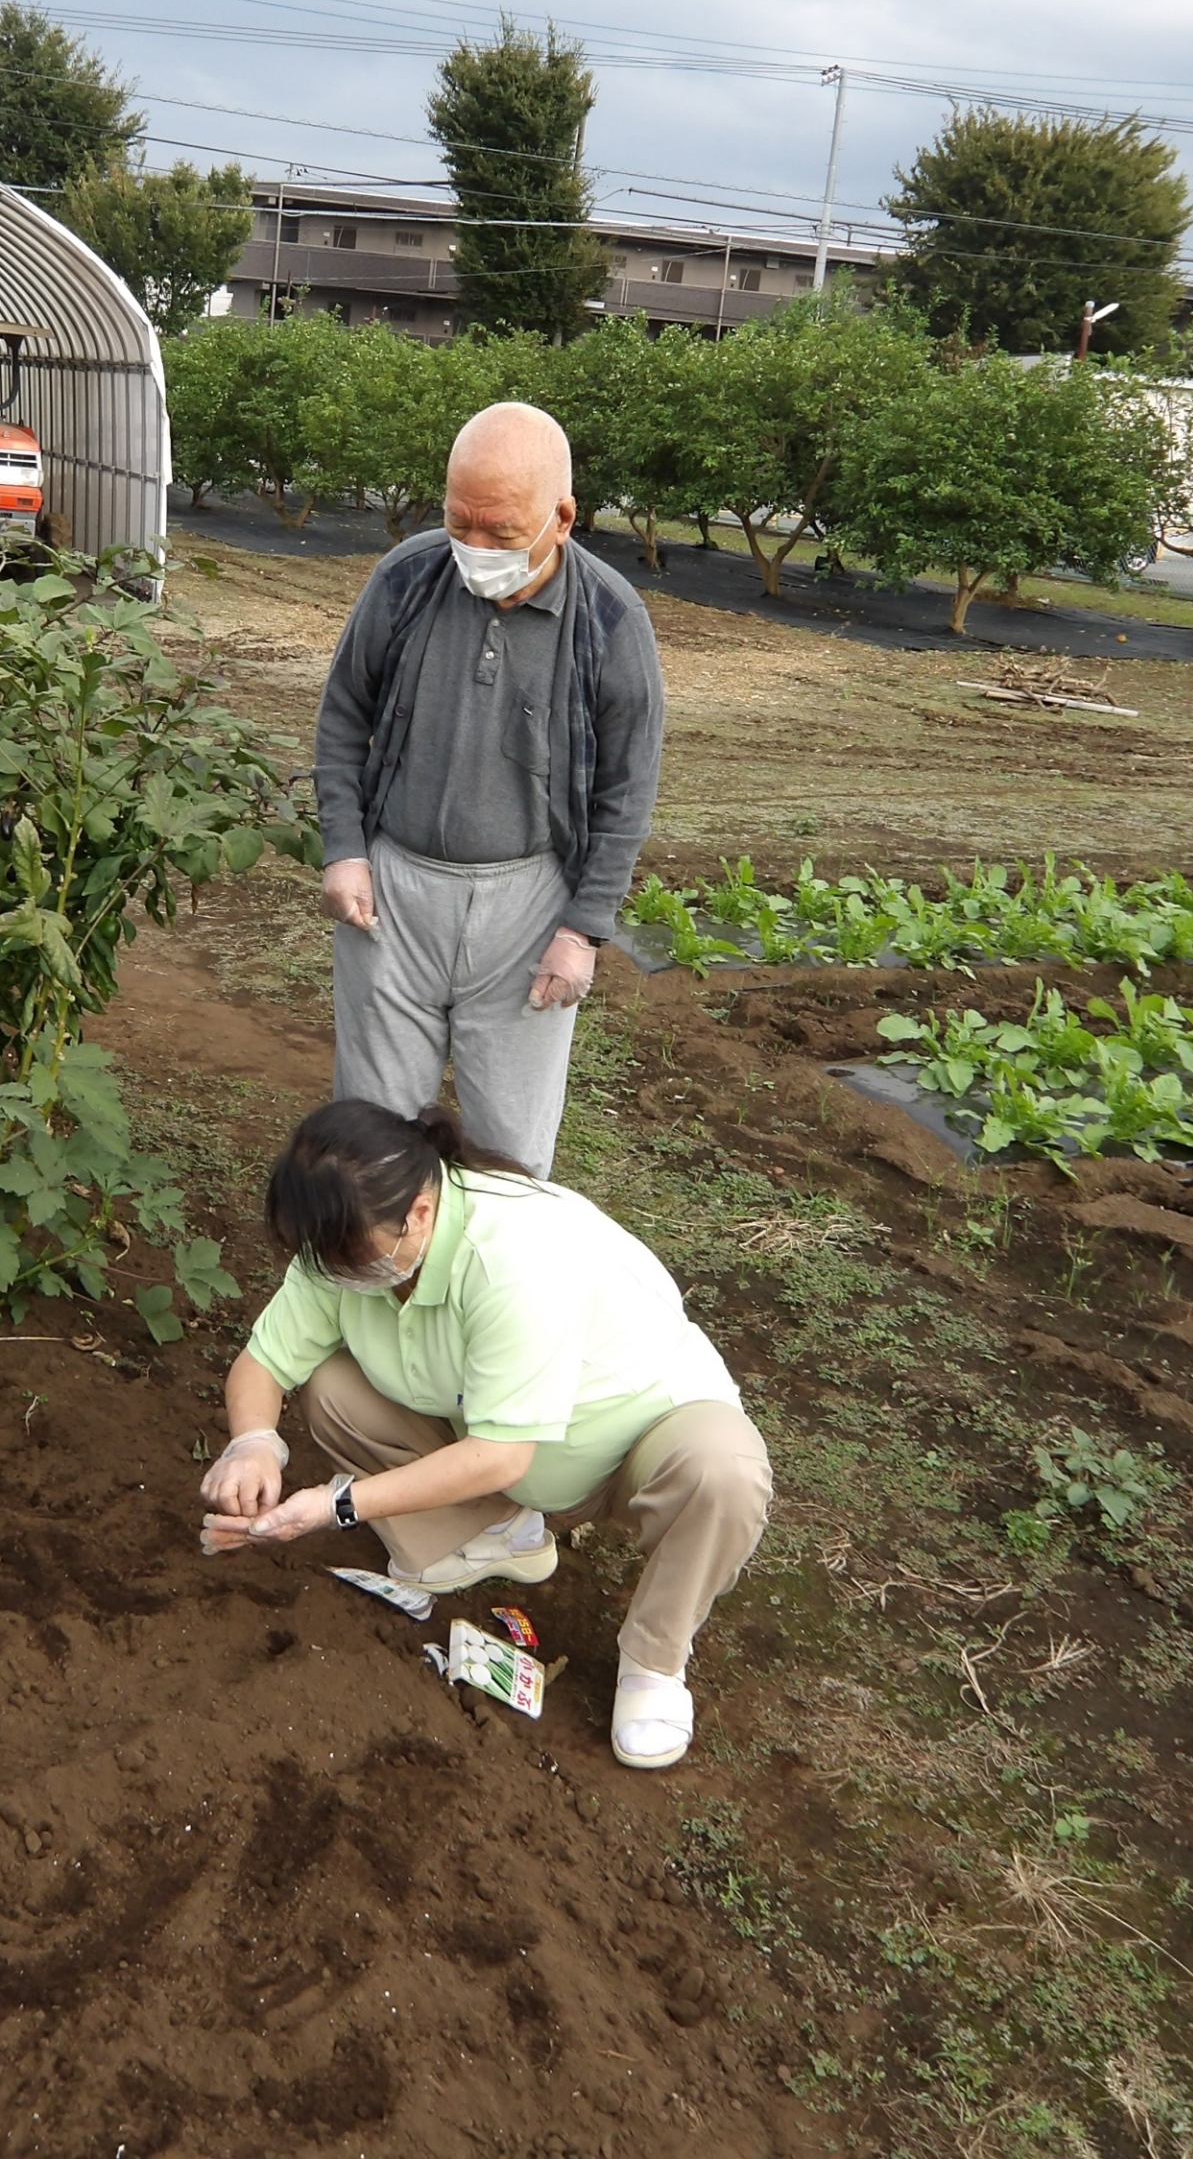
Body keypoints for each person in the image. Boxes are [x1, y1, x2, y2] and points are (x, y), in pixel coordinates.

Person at [199, 1101, 771, 1770]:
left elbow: (501, 1455)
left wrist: (335, 1505)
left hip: (636, 1434)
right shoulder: (346, 1242)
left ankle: (654, 1661)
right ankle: (498, 1535)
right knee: (332, 1386)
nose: (333, 1273)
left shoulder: (514, 1252)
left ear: (418, 1212)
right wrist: (254, 1442)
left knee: (724, 1471)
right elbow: (264, 1362)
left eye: (349, 1256)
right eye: (319, 1258)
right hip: (497, 1433)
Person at [315, 400, 664, 1179]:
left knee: (510, 1152)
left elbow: (626, 787)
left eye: (501, 533)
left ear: (562, 517)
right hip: (393, 897)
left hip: (528, 908)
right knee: (369, 1140)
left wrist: (583, 930)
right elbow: (343, 717)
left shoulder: (610, 619)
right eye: (458, 522)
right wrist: (344, 849)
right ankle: (369, 1284)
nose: (473, 549)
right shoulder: (405, 579)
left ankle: (484, 1291)